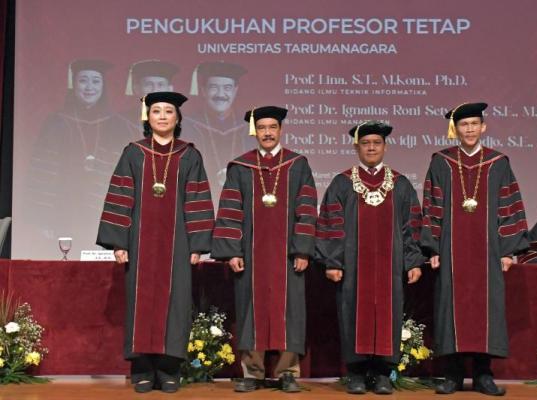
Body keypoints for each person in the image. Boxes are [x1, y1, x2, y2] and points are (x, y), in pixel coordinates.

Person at [96, 92, 214, 393]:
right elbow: (121, 195)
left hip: (178, 245)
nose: (162, 116)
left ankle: (169, 368)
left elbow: (197, 199)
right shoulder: (133, 153)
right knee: (140, 302)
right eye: (156, 111)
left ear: (178, 118)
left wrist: (198, 245)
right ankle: (142, 368)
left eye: (168, 111)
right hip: (139, 243)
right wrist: (119, 243)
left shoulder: (189, 155)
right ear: (147, 117)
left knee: (176, 304)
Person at [421, 102, 529, 396]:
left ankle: (483, 375)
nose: (469, 129)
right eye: (463, 125)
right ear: (455, 129)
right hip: (450, 250)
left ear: (483, 127)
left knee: (487, 309)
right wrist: (432, 247)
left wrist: (507, 250)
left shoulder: (498, 163)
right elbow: (432, 206)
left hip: (488, 252)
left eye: (473, 124)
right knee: (450, 307)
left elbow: (509, 206)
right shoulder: (441, 162)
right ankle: (452, 375)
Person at [211, 106, 318, 393]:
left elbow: (307, 209)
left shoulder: (297, 165)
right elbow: (230, 209)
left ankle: (287, 372)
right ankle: (253, 372)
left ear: (280, 130)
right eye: (262, 128)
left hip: (288, 255)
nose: (267, 133)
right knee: (250, 309)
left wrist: (303, 250)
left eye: (272, 127)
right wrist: (233, 251)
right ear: (254, 131)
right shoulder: (241, 167)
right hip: (251, 255)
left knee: (289, 311)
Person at [315, 121, 425, 395]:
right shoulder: (342, 183)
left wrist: (412, 261)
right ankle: (356, 373)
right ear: (357, 148)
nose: (371, 148)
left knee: (389, 315)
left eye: (377, 143)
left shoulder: (399, 184)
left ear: (385, 147)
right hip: (353, 268)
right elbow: (331, 224)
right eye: (365, 143)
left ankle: (383, 374)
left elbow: (411, 226)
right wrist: (333, 262)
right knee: (352, 314)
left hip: (390, 268)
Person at [24, 59, 131, 257]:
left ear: (103, 86)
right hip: (63, 213)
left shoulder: (117, 125)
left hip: (102, 214)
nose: (89, 87)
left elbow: (125, 177)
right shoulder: (56, 123)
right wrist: (44, 218)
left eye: (96, 81)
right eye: (83, 80)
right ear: (74, 85)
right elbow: (41, 174)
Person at [182, 61, 253, 194]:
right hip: (198, 196)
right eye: (214, 87)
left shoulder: (248, 128)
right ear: (203, 90)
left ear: (235, 91)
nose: (220, 94)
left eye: (227, 88)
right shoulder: (187, 126)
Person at [119, 59, 179, 136]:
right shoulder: (120, 122)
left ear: (170, 89)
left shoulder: (185, 125)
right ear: (137, 89)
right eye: (148, 84)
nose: (155, 90)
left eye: (161, 85)